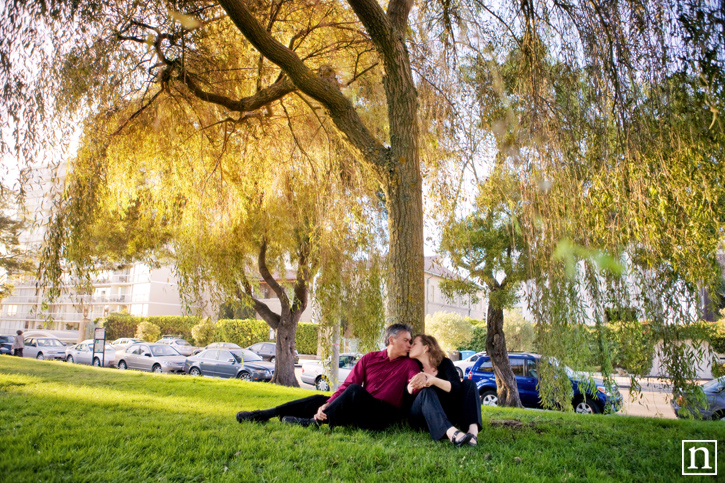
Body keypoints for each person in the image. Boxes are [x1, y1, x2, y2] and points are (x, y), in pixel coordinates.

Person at [236, 323, 420, 431]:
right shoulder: (369, 359)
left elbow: (415, 382)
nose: (410, 345)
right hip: (361, 410)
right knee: (319, 398)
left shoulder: (409, 364)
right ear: (391, 340)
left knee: (355, 391)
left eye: (410, 341)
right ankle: (265, 414)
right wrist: (328, 403)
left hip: (383, 415)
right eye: (406, 340)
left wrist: (417, 383)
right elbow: (347, 384)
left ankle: (314, 422)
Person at [407, 334, 482, 447]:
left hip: (447, 412)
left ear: (426, 347)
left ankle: (473, 433)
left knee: (469, 384)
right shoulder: (412, 365)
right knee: (427, 392)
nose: (410, 346)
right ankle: (453, 434)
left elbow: (457, 387)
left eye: (414, 343)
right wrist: (412, 386)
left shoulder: (445, 363)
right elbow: (406, 391)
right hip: (423, 417)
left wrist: (433, 380)